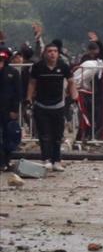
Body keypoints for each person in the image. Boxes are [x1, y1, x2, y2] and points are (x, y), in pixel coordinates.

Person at [26, 40, 76, 171]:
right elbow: (32, 83)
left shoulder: (63, 66)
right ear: (45, 54)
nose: (52, 54)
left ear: (58, 54)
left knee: (57, 136)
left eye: (55, 51)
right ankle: (46, 159)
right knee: (44, 135)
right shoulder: (38, 67)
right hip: (41, 105)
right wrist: (28, 98)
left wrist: (74, 96)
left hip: (58, 106)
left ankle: (57, 161)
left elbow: (71, 82)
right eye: (49, 51)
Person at [0, 47, 21, 171]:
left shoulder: (13, 72)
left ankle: (6, 160)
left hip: (8, 109)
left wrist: (15, 110)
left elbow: (17, 93)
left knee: (8, 136)